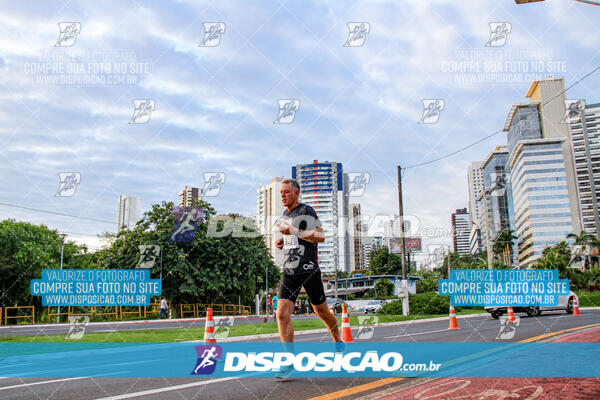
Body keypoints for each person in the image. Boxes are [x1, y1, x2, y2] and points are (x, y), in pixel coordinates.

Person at [274, 178, 343, 379]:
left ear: (296, 193)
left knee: (321, 310)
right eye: (281, 192)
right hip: (289, 269)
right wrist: (283, 241)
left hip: (309, 268)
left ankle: (338, 341)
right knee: (281, 313)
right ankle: (289, 362)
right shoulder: (285, 215)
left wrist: (294, 231)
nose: (283, 195)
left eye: (286, 192)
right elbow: (295, 239)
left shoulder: (306, 211)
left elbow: (320, 237)